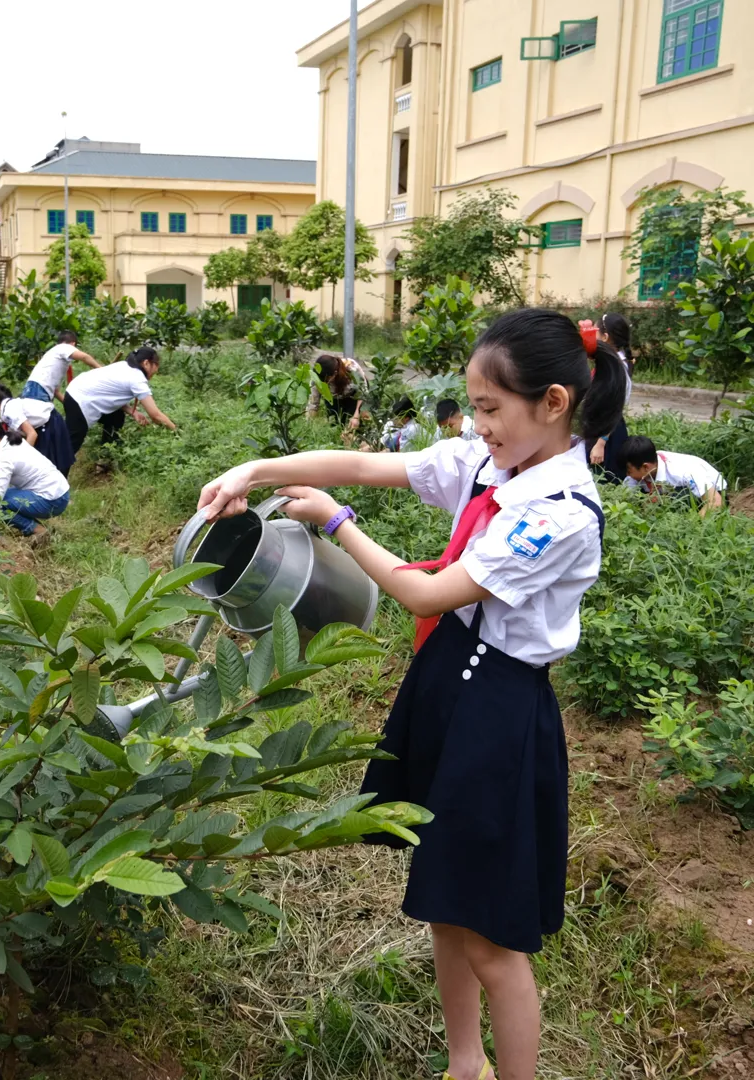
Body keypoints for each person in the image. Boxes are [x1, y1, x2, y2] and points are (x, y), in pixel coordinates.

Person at [195, 308, 626, 1080]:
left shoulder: (558, 515)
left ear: (553, 403)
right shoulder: (494, 466)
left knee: (493, 939)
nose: (478, 425)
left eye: (491, 409)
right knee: (444, 898)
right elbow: (365, 464)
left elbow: (426, 595)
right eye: (477, 407)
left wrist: (337, 526)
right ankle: (466, 1063)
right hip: (446, 688)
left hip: (497, 710)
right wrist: (253, 472)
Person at [0, 414, 69, 540]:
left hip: (52, 499)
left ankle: (37, 530)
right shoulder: (8, 443)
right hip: (59, 492)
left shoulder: (3, 458)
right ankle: (37, 527)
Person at [63, 347, 176, 457]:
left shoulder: (124, 365)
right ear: (146, 363)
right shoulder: (137, 379)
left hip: (75, 390)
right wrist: (176, 431)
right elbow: (155, 415)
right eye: (156, 367)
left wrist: (133, 412)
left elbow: (111, 394)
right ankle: (54, 472)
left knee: (116, 416)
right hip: (80, 400)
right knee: (70, 447)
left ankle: (106, 455)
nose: (154, 374)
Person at [0, 380, 75, 477]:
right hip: (46, 424)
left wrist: (22, 460)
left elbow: (32, 434)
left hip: (50, 425)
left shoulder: (9, 409)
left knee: (48, 469)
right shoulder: (7, 408)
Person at [582, 314, 633, 482]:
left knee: (605, 480)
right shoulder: (612, 361)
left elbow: (615, 408)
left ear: (605, 337)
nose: (593, 338)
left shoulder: (618, 367)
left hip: (607, 433)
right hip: (601, 427)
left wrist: (601, 443)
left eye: (595, 334)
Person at [620, 435, 726, 513]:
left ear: (646, 467)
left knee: (679, 500)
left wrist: (692, 528)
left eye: (629, 471)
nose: (628, 476)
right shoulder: (642, 469)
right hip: (667, 493)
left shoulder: (683, 472)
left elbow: (715, 502)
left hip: (712, 494)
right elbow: (626, 500)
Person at [23, 331, 101, 403]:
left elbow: (56, 392)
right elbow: (84, 357)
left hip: (34, 388)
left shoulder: (53, 356)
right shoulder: (64, 347)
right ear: (73, 344)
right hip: (38, 389)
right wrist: (102, 370)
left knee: (54, 418)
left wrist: (71, 407)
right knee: (39, 416)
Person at [306, 354, 368, 429]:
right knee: (335, 425)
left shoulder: (351, 367)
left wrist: (356, 416)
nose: (323, 382)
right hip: (333, 399)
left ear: (334, 374)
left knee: (356, 425)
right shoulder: (316, 378)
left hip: (354, 395)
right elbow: (313, 404)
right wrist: (308, 425)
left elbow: (363, 392)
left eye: (326, 380)